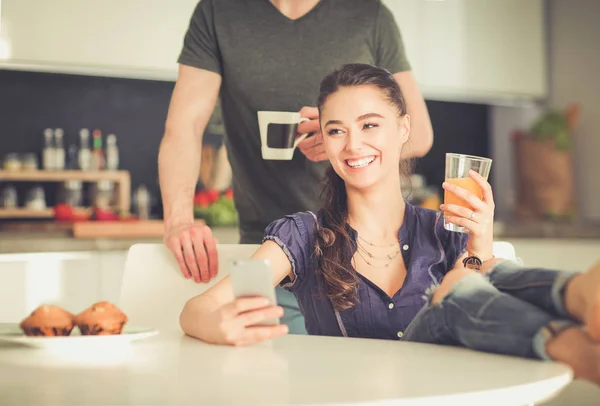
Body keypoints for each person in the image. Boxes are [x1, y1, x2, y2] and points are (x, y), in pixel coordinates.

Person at [179, 63, 600, 385]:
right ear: (323, 143)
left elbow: (484, 320)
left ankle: (580, 305)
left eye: (370, 125)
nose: (354, 144)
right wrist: (217, 325)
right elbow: (196, 310)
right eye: (336, 131)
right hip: (346, 398)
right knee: (454, 289)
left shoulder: (445, 226)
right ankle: (575, 308)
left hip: (438, 396)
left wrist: (479, 245)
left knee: (468, 280)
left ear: (404, 128)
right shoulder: (305, 234)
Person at [158, 0, 434, 334]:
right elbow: (183, 127)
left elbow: (418, 132)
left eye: (369, 125)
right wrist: (178, 220)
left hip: (359, 250)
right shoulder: (218, 12)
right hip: (267, 253)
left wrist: (341, 132)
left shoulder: (370, 16)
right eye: (336, 132)